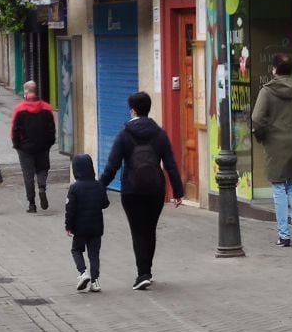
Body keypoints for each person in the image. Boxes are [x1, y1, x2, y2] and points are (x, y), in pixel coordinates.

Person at [99, 91, 183, 290]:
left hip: (131, 190)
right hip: (156, 190)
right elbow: (170, 164)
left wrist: (100, 186)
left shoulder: (124, 135)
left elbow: (112, 165)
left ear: (133, 110)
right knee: (150, 230)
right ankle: (148, 271)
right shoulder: (160, 134)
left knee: (137, 231)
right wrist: (178, 192)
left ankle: (142, 274)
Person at [250, 53, 292, 246]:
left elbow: (256, 118)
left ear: (274, 70)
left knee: (279, 186)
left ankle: (284, 235)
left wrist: (262, 135)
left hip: (275, 145)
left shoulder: (267, 91)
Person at [65, 153, 109, 293]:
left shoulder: (74, 188)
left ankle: (83, 273)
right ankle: (95, 282)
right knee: (94, 254)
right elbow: (105, 203)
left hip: (80, 227)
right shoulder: (99, 185)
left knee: (76, 250)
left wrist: (68, 226)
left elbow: (70, 210)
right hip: (96, 227)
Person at [10, 80, 56, 213]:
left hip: (25, 148)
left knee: (28, 174)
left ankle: (31, 204)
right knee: (42, 169)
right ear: (36, 91)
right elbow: (51, 129)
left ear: (26, 92)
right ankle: (42, 187)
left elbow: (14, 129)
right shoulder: (47, 108)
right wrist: (49, 144)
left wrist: (16, 144)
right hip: (42, 147)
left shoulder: (19, 109)